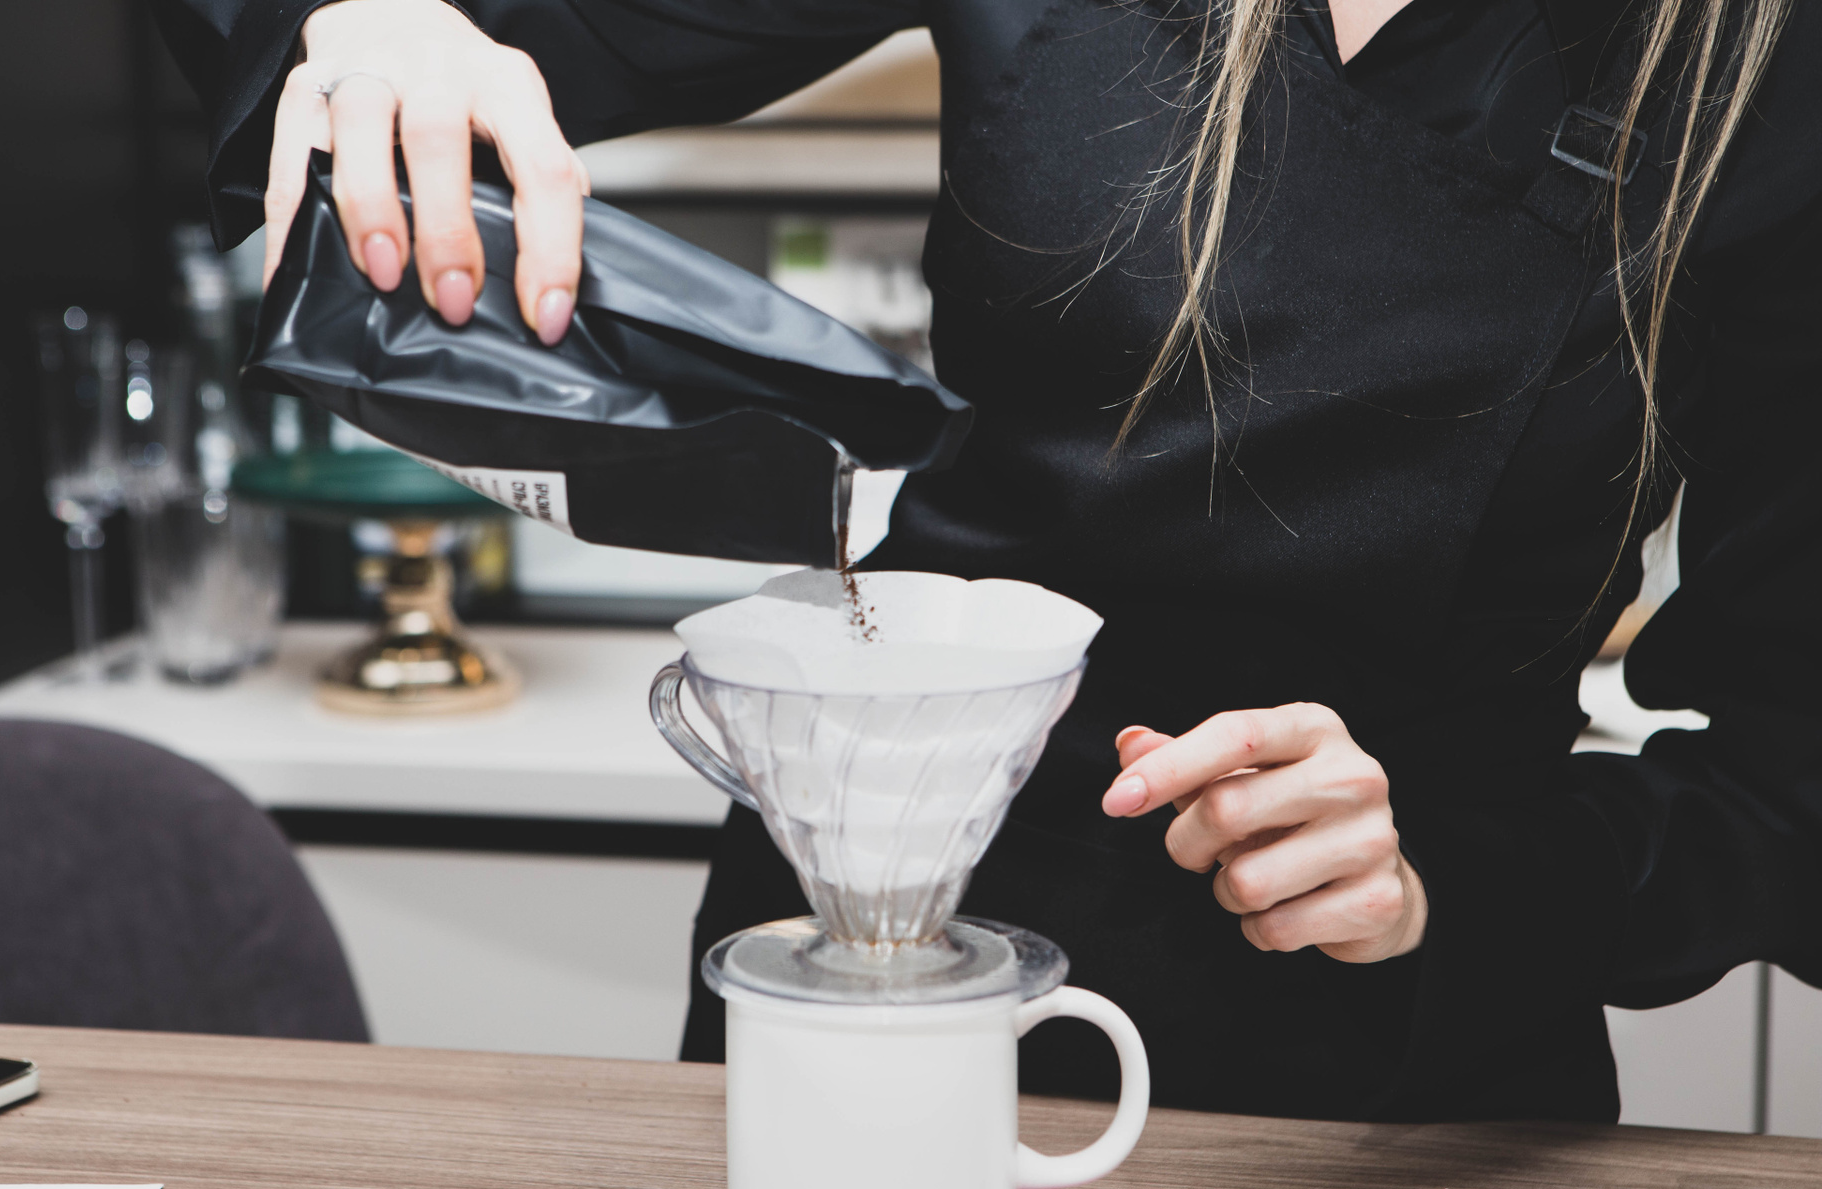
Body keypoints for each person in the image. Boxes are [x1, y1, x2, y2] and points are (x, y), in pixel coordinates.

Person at [156, 0, 1822, 1122]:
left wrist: (1441, 885)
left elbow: (1786, 793)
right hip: (873, 947)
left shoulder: (1768, 69)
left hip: (1391, 1071)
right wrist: (373, 24)